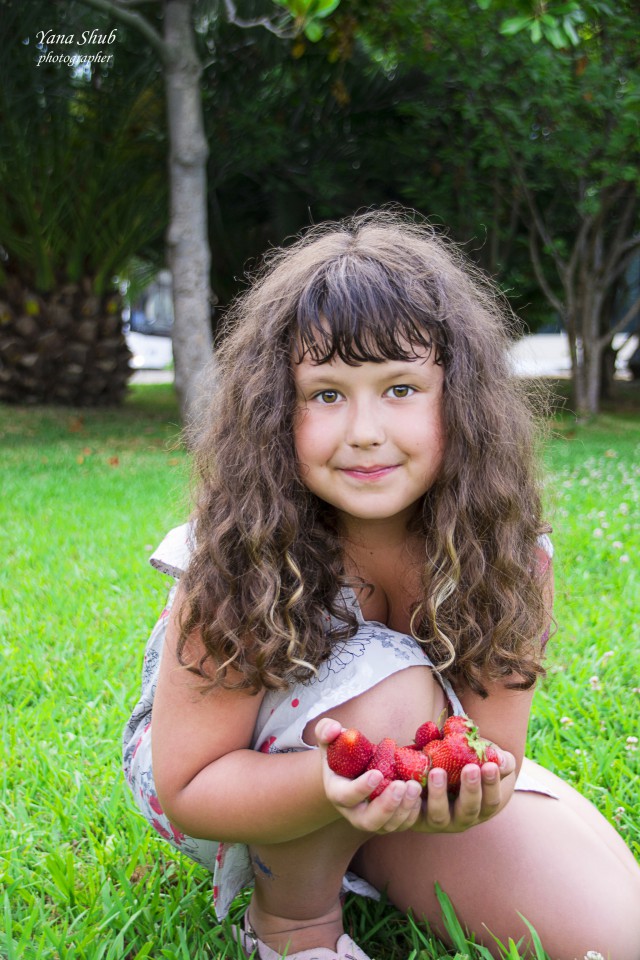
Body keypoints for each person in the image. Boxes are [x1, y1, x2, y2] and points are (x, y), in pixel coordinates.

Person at [123, 211, 640, 960]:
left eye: (400, 388)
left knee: (618, 934)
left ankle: (358, 850)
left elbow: (492, 745)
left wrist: (476, 789)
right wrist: (327, 788)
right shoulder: (239, 552)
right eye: (326, 395)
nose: (364, 429)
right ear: (275, 410)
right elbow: (191, 785)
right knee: (393, 689)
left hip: (400, 785)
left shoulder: (507, 555)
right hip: (235, 785)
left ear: (459, 397)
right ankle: (293, 925)